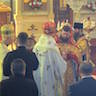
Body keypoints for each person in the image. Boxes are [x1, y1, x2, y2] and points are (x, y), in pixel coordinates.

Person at [33, 21, 67, 96]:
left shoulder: (37, 45)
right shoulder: (52, 47)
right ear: (53, 32)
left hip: (39, 75)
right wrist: (63, 59)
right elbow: (60, 66)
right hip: (50, 77)